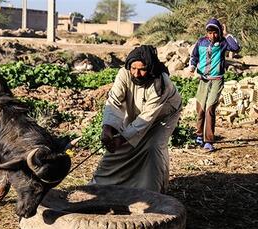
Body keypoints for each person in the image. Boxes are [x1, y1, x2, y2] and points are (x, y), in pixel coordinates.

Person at [89, 45, 182, 193]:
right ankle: (99, 185)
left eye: (142, 69)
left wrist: (121, 138)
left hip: (163, 116)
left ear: (150, 68)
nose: (136, 74)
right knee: (121, 147)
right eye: (133, 68)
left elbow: (147, 117)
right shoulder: (124, 74)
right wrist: (107, 128)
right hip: (138, 111)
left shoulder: (161, 84)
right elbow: (114, 101)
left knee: (152, 147)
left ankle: (152, 192)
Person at [189, 18, 241, 152]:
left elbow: (236, 48)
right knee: (200, 109)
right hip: (203, 80)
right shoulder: (201, 42)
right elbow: (194, 56)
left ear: (219, 32)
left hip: (217, 80)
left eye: (215, 32)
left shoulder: (223, 42)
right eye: (210, 32)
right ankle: (199, 135)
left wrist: (227, 34)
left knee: (209, 109)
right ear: (206, 32)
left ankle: (209, 140)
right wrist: (192, 67)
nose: (212, 35)